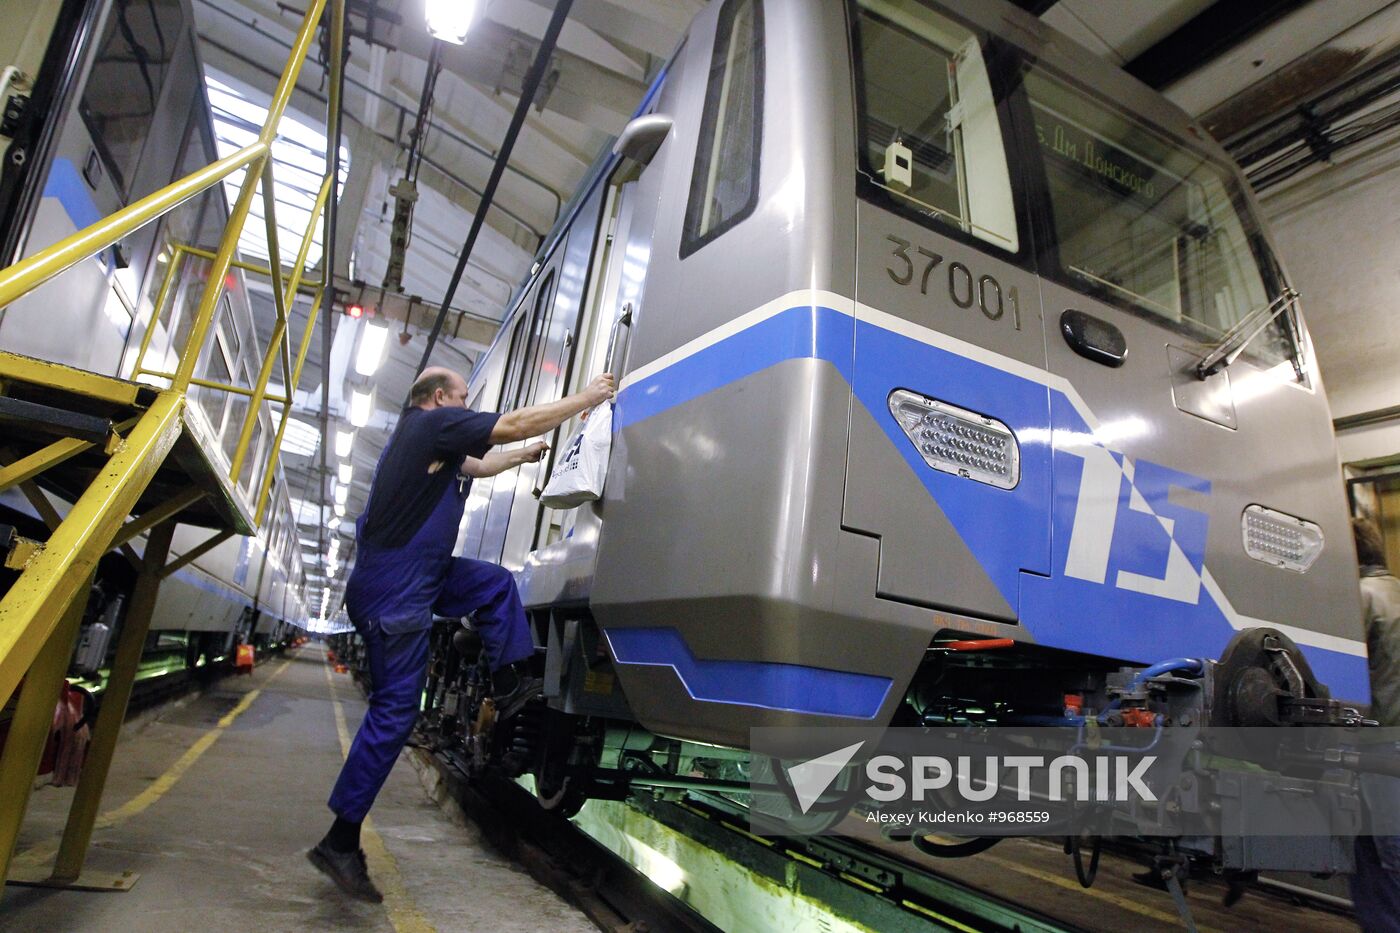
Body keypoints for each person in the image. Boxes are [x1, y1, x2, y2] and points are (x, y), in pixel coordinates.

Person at [308, 365, 616, 901]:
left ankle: (509, 682)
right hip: (397, 589)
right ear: (437, 399)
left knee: (495, 585)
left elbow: (483, 463)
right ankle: (340, 840)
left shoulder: (437, 447)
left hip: (421, 576)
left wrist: (522, 459)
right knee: (395, 712)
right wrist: (587, 397)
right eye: (462, 398)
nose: (466, 406)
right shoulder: (428, 427)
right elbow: (511, 424)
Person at [1349, 516, 1400, 931]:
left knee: (1383, 859)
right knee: (1371, 856)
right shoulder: (1395, 591)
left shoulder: (1359, 598)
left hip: (1380, 746)